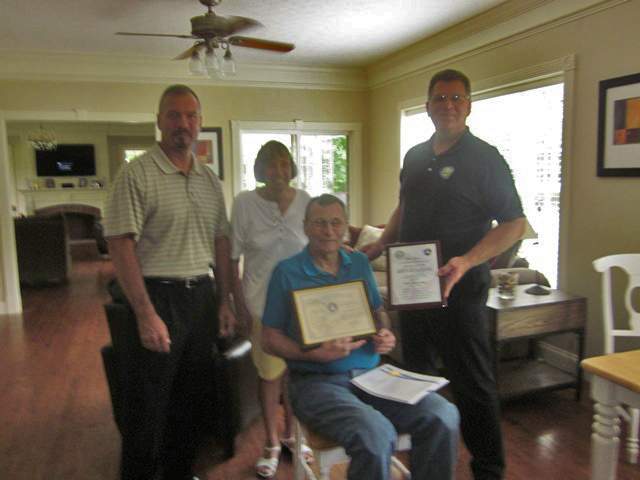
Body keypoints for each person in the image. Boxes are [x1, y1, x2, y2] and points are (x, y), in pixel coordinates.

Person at [362, 69, 526, 480]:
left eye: (457, 98)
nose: (448, 105)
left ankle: (489, 468)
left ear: (468, 105)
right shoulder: (415, 155)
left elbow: (513, 224)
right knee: (417, 377)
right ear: (428, 106)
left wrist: (468, 260)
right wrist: (382, 241)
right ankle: (429, 461)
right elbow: (404, 206)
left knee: (472, 384)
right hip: (414, 287)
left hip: (461, 290)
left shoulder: (486, 158)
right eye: (440, 98)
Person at [261, 194, 460, 480]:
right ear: (305, 227)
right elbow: (269, 338)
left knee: (444, 415)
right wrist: (313, 354)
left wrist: (385, 333)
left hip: (373, 377)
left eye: (335, 223)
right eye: (319, 223)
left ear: (344, 228)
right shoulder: (286, 271)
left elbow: (379, 313)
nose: (328, 231)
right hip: (315, 383)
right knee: (376, 434)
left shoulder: (359, 264)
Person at [103, 84, 236, 480]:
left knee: (191, 402)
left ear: (200, 122)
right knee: (145, 406)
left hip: (202, 298)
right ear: (160, 121)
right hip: (156, 298)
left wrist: (225, 301)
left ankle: (180, 472)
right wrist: (145, 314)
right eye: (174, 115)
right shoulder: (136, 174)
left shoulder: (209, 181)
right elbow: (119, 245)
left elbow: (222, 241)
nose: (183, 123)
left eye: (191, 116)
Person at [230, 141, 314, 478]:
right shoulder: (244, 204)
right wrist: (238, 306)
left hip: (303, 306)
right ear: (260, 169)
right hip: (262, 304)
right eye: (270, 164)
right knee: (269, 376)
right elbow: (233, 256)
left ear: (291, 168)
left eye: (283, 164)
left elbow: (320, 247)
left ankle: (296, 437)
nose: (278, 171)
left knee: (299, 376)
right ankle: (271, 443)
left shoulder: (306, 201)